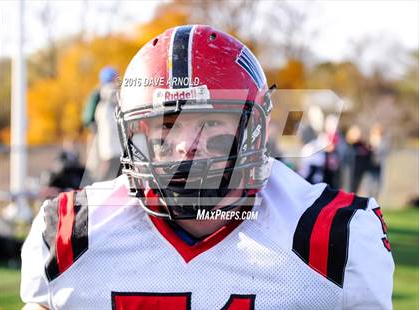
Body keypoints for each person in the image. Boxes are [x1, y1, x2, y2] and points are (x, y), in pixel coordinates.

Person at [21, 25, 394, 310]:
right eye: (167, 124)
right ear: (136, 132)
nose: (187, 144)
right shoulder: (72, 237)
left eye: (212, 121)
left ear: (253, 130)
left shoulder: (331, 237)